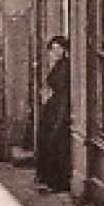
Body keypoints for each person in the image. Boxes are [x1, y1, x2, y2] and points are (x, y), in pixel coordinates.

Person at [37, 37, 72, 192]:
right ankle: (49, 180)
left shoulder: (66, 67)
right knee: (48, 142)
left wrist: (60, 117)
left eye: (58, 48)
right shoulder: (59, 65)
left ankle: (58, 183)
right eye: (53, 49)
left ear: (65, 50)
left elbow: (65, 93)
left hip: (61, 108)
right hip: (53, 106)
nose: (55, 52)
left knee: (57, 144)